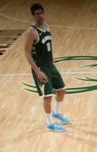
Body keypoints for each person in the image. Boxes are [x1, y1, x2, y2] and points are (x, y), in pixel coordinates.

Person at [24, 3, 68, 132]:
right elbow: (27, 53)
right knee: (48, 96)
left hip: (50, 65)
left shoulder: (47, 27)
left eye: (41, 13)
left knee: (62, 90)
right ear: (33, 16)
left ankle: (56, 112)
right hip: (41, 67)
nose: (40, 16)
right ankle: (49, 123)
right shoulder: (32, 32)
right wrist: (37, 71)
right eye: (37, 14)